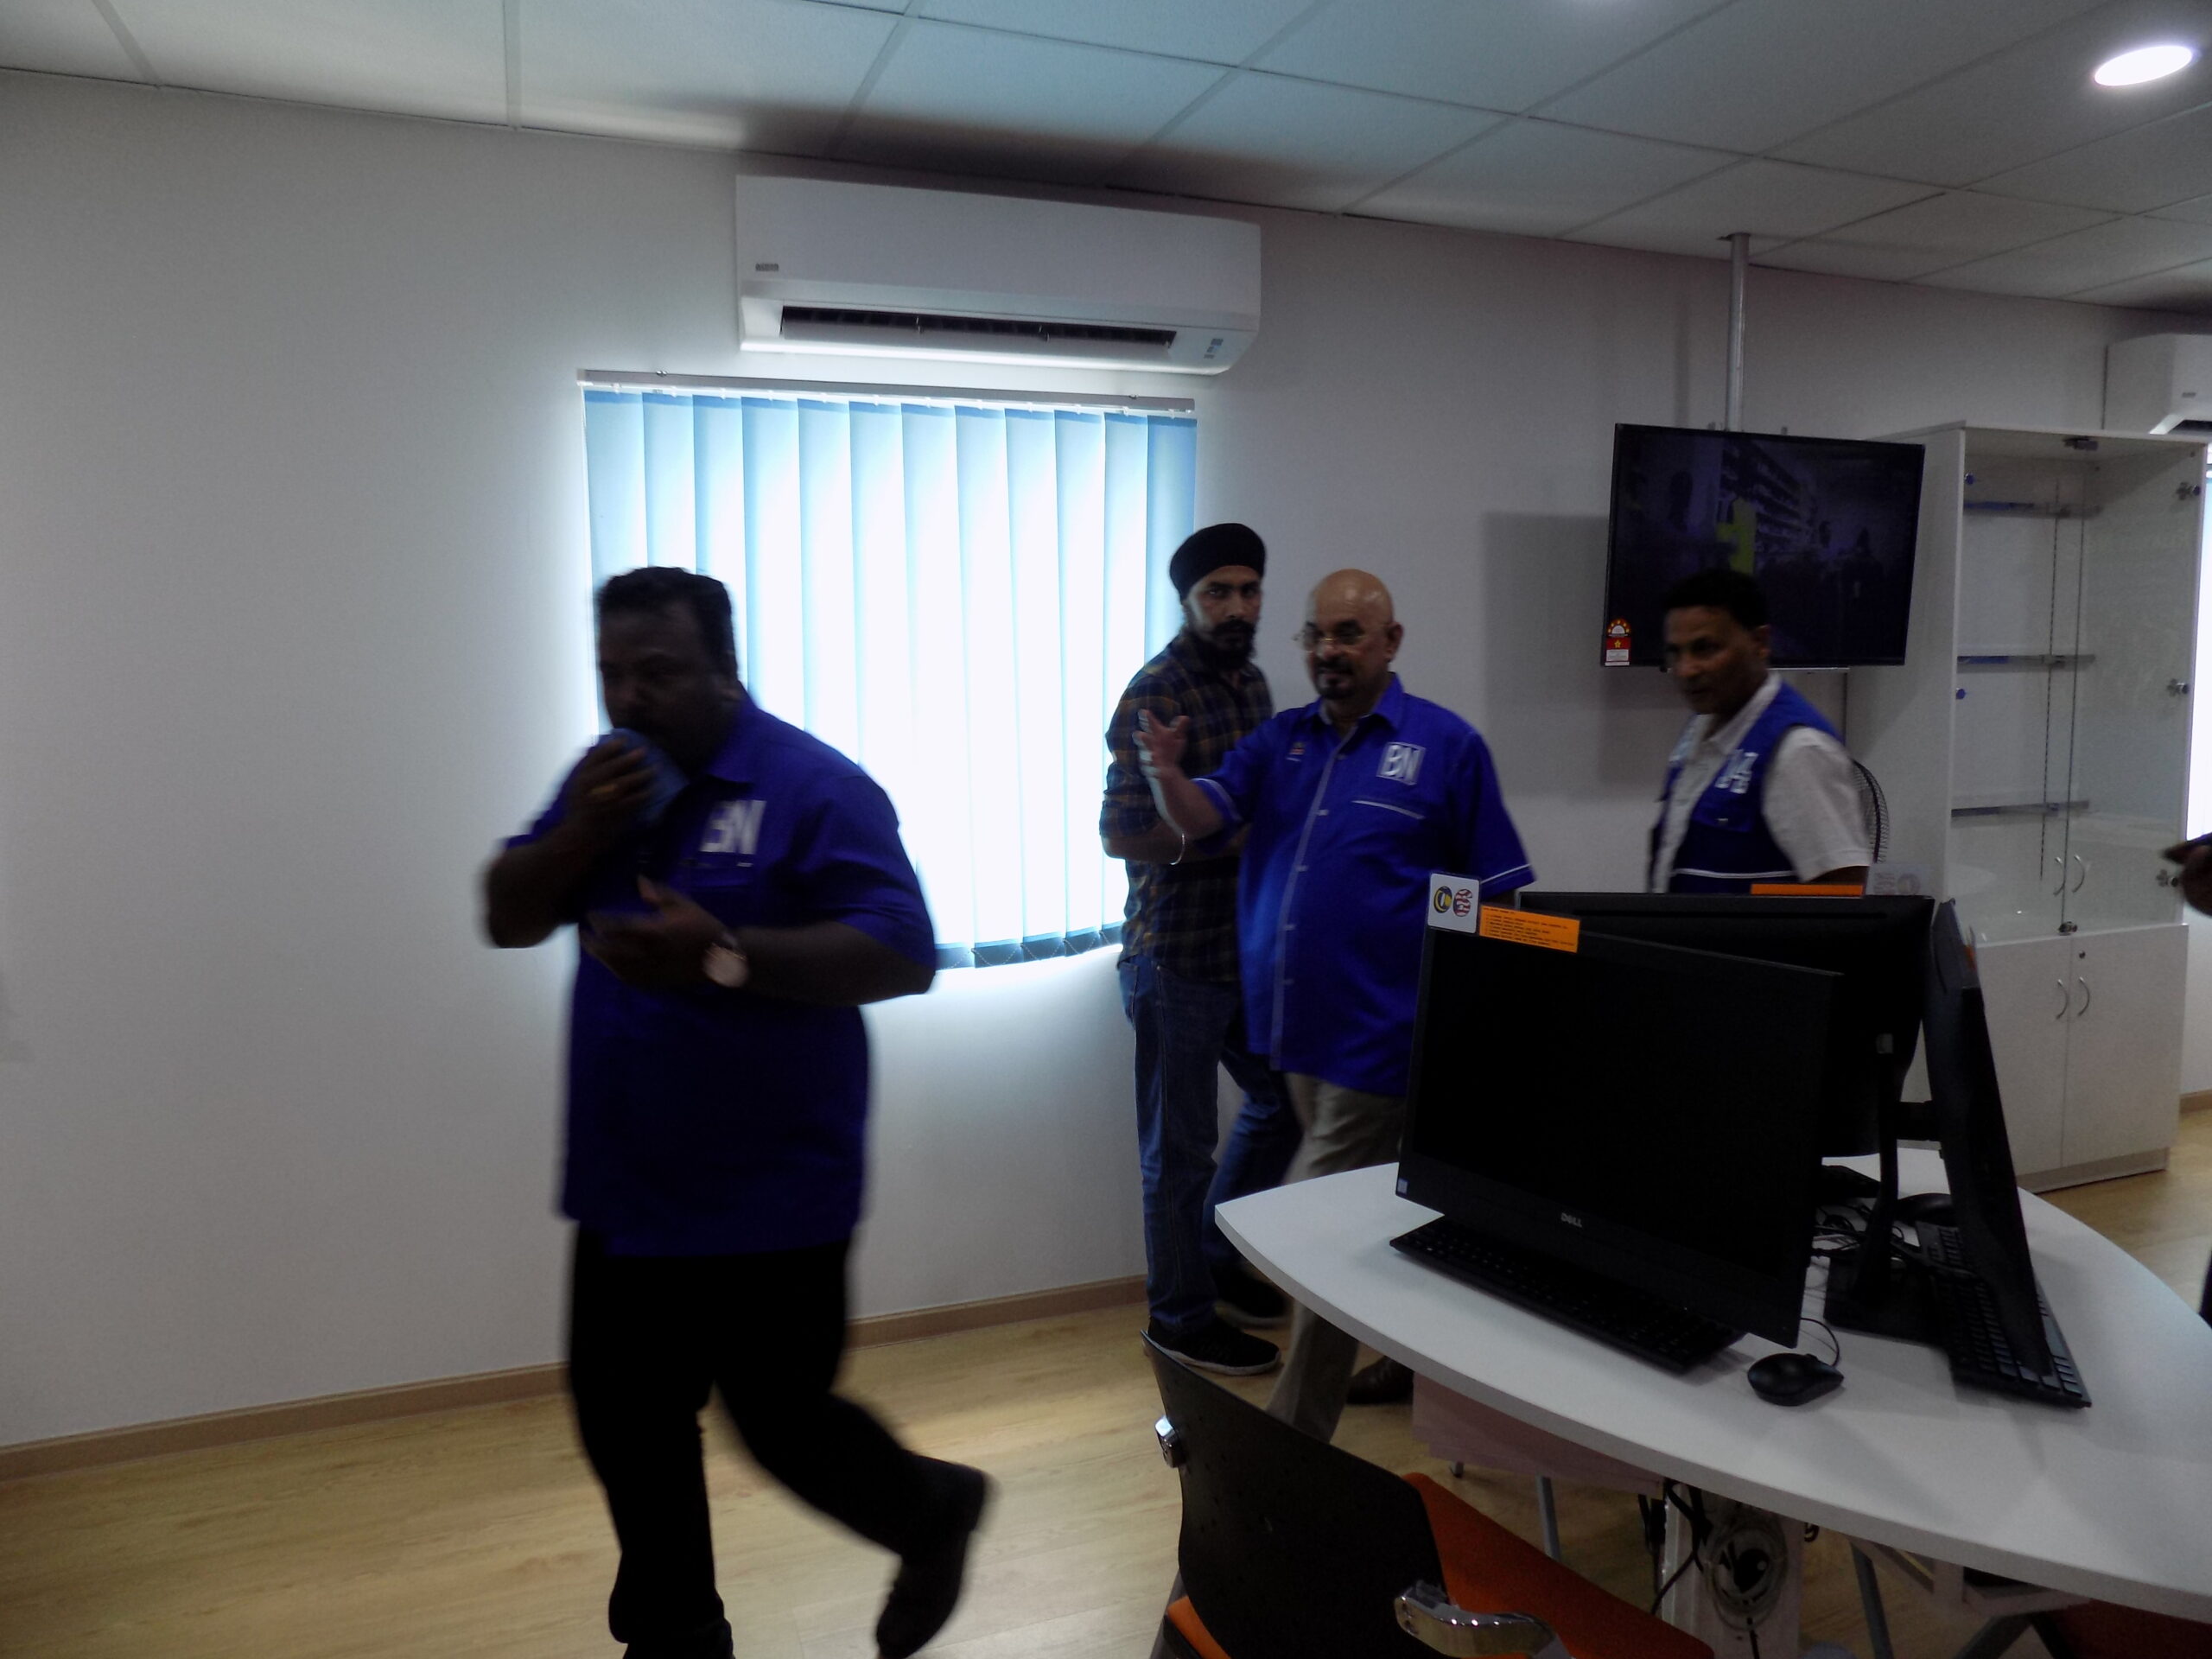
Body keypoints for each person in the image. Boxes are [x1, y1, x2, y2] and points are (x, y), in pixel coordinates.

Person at [481, 568, 988, 1659]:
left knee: (784, 1426)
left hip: (772, 1193)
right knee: (625, 1423)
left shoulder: (814, 787)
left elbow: (902, 952)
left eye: (658, 671)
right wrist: (578, 833)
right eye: (611, 673)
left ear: (724, 668)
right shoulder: (605, 785)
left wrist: (721, 952)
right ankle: (677, 1637)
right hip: (625, 1186)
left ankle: (931, 1512)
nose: (629, 696)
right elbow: (505, 915)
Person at [1132, 569, 1533, 1440]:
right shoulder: (1282, 743)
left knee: (1315, 1239)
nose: (1328, 650)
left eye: (1348, 633)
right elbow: (1200, 818)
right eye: (1316, 634)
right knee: (1367, 1222)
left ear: (1390, 642)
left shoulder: (1446, 747)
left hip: (1382, 1040)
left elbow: (1497, 890)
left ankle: (1290, 1439)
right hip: (1297, 1039)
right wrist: (1164, 771)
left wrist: (1476, 1011)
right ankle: (1411, 1360)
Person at [1102, 523, 1303, 1378]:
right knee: (1179, 1154)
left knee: (1283, 1103)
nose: (1235, 607)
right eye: (1216, 593)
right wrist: (1220, 842)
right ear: (1187, 601)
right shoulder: (1157, 690)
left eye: (1247, 591)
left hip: (1242, 954)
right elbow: (1119, 833)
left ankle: (1214, 1259)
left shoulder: (1251, 682)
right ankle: (1179, 1319)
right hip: (1173, 959)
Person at [1650, 567, 1871, 894]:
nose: (1686, 670)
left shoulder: (1799, 749)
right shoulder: (1700, 725)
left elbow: (1842, 894)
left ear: (1759, 642)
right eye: (1675, 652)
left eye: (1705, 648)